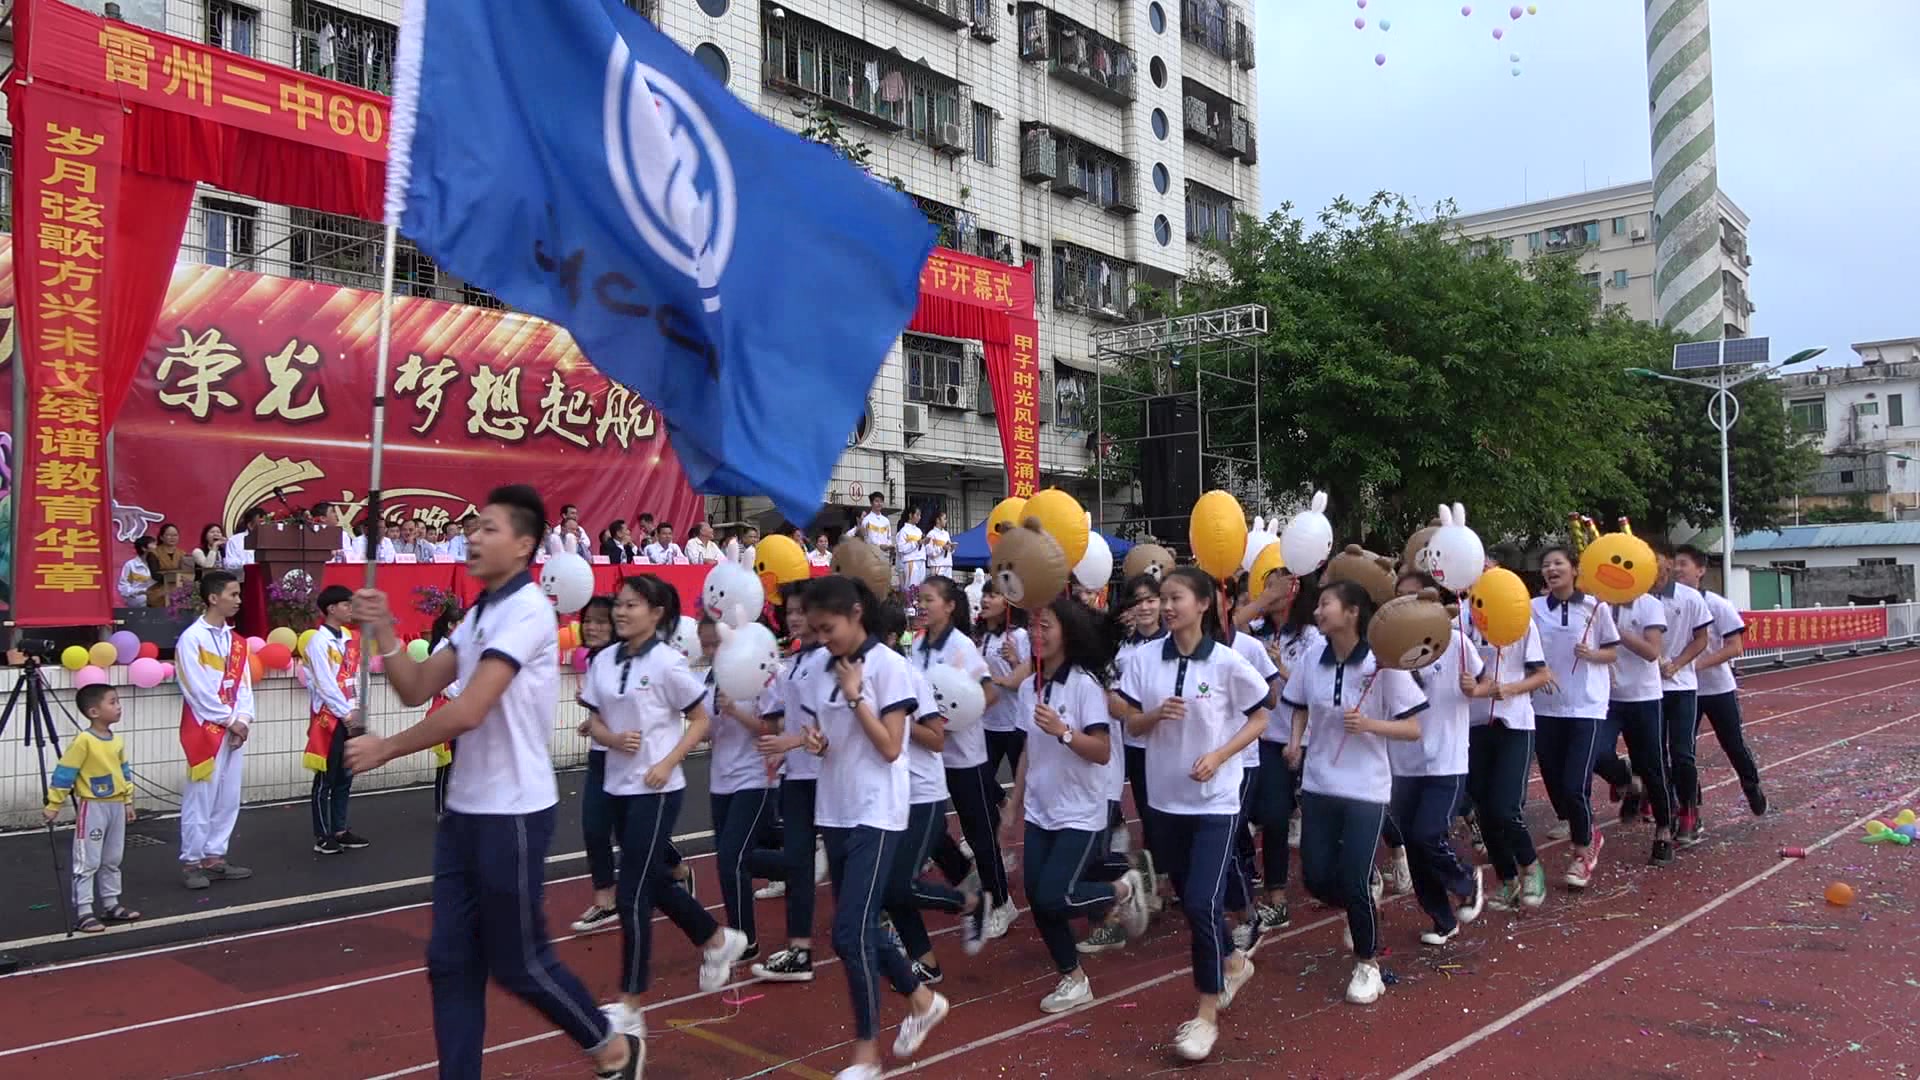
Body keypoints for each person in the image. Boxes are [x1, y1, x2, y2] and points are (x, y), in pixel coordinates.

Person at [341, 485, 641, 1080]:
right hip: (465, 813)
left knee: (518, 962)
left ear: (526, 544)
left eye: (489, 528)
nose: (474, 537)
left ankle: (611, 1047)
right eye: (472, 528)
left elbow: (471, 708)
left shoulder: (528, 611)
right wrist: (385, 631)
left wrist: (387, 749)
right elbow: (418, 686)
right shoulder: (479, 614)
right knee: (449, 961)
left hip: (514, 812)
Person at [581, 574, 752, 1062]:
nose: (620, 611)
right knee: (651, 880)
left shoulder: (668, 663)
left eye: (631, 605)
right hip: (616, 785)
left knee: (632, 892)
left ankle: (631, 1004)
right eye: (619, 604)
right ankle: (716, 938)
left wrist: (666, 761)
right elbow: (593, 718)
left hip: (656, 791)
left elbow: (699, 719)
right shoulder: (605, 661)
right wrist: (611, 739)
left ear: (656, 613)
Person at [1114, 567, 1268, 1060]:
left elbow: (1262, 714)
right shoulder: (1142, 660)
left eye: (1175, 597)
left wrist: (1222, 755)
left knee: (1202, 904)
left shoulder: (1226, 662)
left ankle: (1205, 1015)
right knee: (1192, 900)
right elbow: (1129, 718)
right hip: (1163, 802)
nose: (1166, 605)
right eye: (1163, 598)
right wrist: (1155, 714)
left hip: (1215, 803)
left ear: (1203, 604)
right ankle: (1234, 961)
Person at [802, 574, 951, 1078]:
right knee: (857, 927)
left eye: (829, 628)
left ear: (855, 615)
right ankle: (922, 998)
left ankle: (866, 1052)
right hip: (836, 807)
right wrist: (818, 742)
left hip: (877, 810)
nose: (822, 638)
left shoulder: (891, 667)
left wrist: (853, 698)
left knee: (849, 932)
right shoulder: (824, 668)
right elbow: (831, 736)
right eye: (816, 630)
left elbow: (891, 747)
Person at [1282, 580, 1427, 1006]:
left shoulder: (1381, 665)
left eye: (1326, 604)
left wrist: (1370, 726)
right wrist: (1295, 740)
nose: (1317, 612)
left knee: (1351, 877)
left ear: (1352, 613)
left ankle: (1368, 964)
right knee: (1315, 876)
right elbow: (1300, 704)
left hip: (1366, 788)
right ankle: (1364, 891)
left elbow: (1414, 727)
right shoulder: (1314, 658)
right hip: (1320, 782)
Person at [1002, 596, 1150, 1013]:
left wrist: (1064, 731)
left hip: (1080, 810)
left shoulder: (1084, 684)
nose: (1037, 634)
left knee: (1055, 897)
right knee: (1038, 897)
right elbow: (1030, 748)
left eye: (1046, 626)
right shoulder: (1034, 684)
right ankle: (1073, 978)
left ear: (1067, 631)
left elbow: (1101, 750)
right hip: (1041, 808)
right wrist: (1014, 800)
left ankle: (1121, 888)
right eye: (1034, 626)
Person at [916, 577, 1019, 942]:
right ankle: (968, 881)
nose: (922, 605)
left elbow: (988, 695)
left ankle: (1002, 902)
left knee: (979, 833)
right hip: (929, 758)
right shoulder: (917, 645)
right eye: (920, 599)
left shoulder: (961, 648)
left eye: (929, 599)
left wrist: (952, 718)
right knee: (928, 832)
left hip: (965, 757)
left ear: (949, 606)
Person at [1385, 585, 1488, 946]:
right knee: (1413, 845)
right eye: (1402, 598)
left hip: (1447, 756)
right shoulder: (1387, 649)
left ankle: (1464, 879)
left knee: (1427, 833)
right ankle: (1442, 918)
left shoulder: (1457, 642)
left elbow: (1486, 679)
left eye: (1418, 597)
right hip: (1403, 762)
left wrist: (1474, 688)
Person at [750, 581, 834, 983]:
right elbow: (790, 715)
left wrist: (791, 740)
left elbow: (830, 721)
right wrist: (782, 750)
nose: (795, 617)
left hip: (830, 776)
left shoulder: (827, 661)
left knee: (849, 862)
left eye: (802, 610)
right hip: (799, 776)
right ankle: (799, 949)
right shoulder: (798, 662)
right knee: (797, 863)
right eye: (791, 611)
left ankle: (885, 925)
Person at [1531, 547, 1620, 889]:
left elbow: (1612, 650)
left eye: (1558, 563)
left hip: (1586, 706)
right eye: (1546, 564)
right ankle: (1584, 829)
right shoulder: (1533, 609)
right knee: (1555, 782)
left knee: (1574, 784)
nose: (1551, 568)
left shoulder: (1595, 607)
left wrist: (1592, 654)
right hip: (1545, 706)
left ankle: (1584, 850)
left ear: (1573, 570)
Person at [1465, 569, 1553, 911]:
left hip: (1514, 723)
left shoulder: (1521, 623)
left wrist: (1509, 689)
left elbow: (1541, 674)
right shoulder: (1460, 623)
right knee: (1484, 810)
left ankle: (1531, 866)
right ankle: (1507, 879)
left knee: (1505, 807)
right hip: (1473, 724)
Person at [701, 618, 779, 961]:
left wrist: (734, 710)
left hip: (755, 777)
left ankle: (745, 940)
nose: (710, 651)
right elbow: (706, 730)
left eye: (715, 644)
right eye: (704, 645)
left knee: (731, 858)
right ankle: (800, 864)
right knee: (732, 860)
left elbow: (770, 730)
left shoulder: (758, 675)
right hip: (722, 779)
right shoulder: (708, 680)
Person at [175, 571, 255, 890]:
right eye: (233, 594)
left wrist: (243, 720)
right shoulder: (191, 639)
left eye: (238, 595)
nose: (238, 600)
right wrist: (228, 719)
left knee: (228, 795)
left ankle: (215, 856)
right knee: (201, 796)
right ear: (213, 598)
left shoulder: (237, 642)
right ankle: (192, 861)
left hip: (233, 728)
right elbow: (194, 688)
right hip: (204, 729)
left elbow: (245, 686)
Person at [1673, 545, 1767, 817]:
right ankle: (1691, 801)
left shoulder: (1716, 604)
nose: (1678, 570)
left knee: (1732, 742)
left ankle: (1751, 786)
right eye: (1674, 564)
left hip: (1717, 689)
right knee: (1681, 750)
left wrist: (1693, 664)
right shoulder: (1665, 604)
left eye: (1684, 564)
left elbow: (1735, 647)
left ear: (1700, 570)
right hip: (1682, 692)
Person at [44, 684, 142, 933]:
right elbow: (65, 773)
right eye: (112, 702)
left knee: (112, 858)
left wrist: (128, 801)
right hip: (93, 806)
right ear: (93, 711)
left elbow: (124, 771)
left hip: (116, 806)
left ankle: (111, 903)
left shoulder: (117, 741)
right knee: (88, 859)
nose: (118, 706)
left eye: (118, 701)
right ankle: (84, 911)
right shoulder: (84, 741)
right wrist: (54, 803)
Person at [1252, 568, 1318, 931]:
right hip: (1270, 739)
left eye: (1276, 584)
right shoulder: (1256, 633)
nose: (1268, 591)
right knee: (1273, 816)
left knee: (1322, 818)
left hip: (1310, 740)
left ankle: (1360, 874)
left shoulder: (1312, 636)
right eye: (1265, 583)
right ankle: (1276, 897)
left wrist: (1281, 668)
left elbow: (1313, 689)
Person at [1604, 567, 1674, 867]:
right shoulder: (1599, 603)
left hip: (1643, 698)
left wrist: (1617, 632)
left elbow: (1651, 652)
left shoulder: (1648, 604)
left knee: (1653, 767)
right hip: (1606, 698)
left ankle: (1664, 830)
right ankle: (1626, 779)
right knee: (1596, 754)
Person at [570, 596, 626, 934]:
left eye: (601, 621)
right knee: (593, 827)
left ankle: (677, 871)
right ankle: (606, 901)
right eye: (588, 620)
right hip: (599, 755)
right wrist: (592, 722)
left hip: (627, 758)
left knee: (630, 833)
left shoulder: (625, 661)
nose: (592, 627)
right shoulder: (594, 660)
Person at [1652, 547, 1714, 846]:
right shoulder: (1635, 599)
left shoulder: (1690, 598)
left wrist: (1677, 663)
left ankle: (1689, 811)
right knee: (1655, 755)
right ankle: (1667, 810)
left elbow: (1702, 638)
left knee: (1682, 753)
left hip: (1681, 687)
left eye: (1668, 564)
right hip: (1647, 691)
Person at [304, 584, 370, 855]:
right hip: (330, 720)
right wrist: (345, 714)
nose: (351, 610)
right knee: (325, 778)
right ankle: (322, 835)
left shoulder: (349, 639)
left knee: (345, 775)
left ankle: (340, 829)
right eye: (347, 605)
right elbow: (325, 683)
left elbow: (355, 677)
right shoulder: (318, 642)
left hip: (350, 715)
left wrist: (359, 710)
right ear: (331, 609)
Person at [146, 523, 186, 608]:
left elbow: (188, 573)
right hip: (159, 591)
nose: (172, 538)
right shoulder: (153, 553)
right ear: (161, 537)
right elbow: (155, 575)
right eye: (169, 535)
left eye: (175, 535)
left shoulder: (183, 554)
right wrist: (173, 576)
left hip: (179, 589)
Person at [117, 536, 156, 608]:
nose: (156, 547)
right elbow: (123, 588)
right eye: (153, 544)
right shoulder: (131, 565)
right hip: (138, 603)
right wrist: (140, 591)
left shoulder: (159, 565)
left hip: (158, 604)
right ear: (144, 548)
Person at [896, 508, 925, 592]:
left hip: (921, 560)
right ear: (910, 515)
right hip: (911, 561)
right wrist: (916, 543)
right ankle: (910, 605)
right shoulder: (903, 531)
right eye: (917, 515)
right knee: (910, 588)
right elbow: (901, 549)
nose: (919, 517)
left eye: (920, 515)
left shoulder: (919, 530)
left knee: (919, 588)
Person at [924, 509, 954, 580]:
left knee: (948, 588)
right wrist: (942, 548)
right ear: (938, 520)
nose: (946, 521)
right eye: (944, 519)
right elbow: (928, 551)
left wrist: (951, 548)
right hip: (937, 565)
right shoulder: (931, 534)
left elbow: (949, 550)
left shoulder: (946, 533)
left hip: (947, 564)